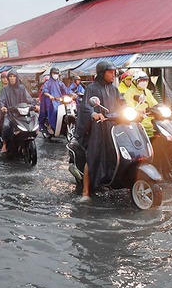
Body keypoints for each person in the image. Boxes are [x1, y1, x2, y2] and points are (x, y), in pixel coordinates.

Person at [74, 60, 126, 200]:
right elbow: (86, 106)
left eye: (114, 72)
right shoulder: (92, 88)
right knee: (93, 155)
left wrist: (133, 110)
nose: (113, 75)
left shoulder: (114, 89)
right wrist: (93, 114)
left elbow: (122, 102)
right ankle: (85, 192)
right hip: (96, 128)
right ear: (102, 73)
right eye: (110, 72)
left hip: (112, 127)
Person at [0, 70, 38, 153]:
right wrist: (3, 107)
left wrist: (35, 105)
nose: (12, 78)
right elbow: (1, 100)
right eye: (10, 77)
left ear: (17, 78)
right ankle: (4, 143)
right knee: (6, 126)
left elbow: (29, 98)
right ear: (8, 78)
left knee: (33, 121)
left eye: (14, 77)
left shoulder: (22, 88)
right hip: (10, 113)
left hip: (22, 112)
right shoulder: (4, 89)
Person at [124, 71, 158, 136]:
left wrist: (160, 108)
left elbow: (154, 104)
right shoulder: (129, 93)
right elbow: (130, 109)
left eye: (145, 80)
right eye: (141, 80)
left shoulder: (147, 91)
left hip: (152, 122)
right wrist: (139, 112)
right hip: (139, 123)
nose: (144, 82)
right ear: (135, 81)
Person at [41, 67, 71, 135]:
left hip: (60, 101)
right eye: (54, 73)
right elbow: (45, 91)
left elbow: (66, 90)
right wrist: (50, 96)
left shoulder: (60, 83)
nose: (56, 75)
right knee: (55, 110)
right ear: (51, 74)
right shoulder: (48, 83)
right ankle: (51, 125)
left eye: (57, 73)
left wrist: (73, 94)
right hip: (51, 101)